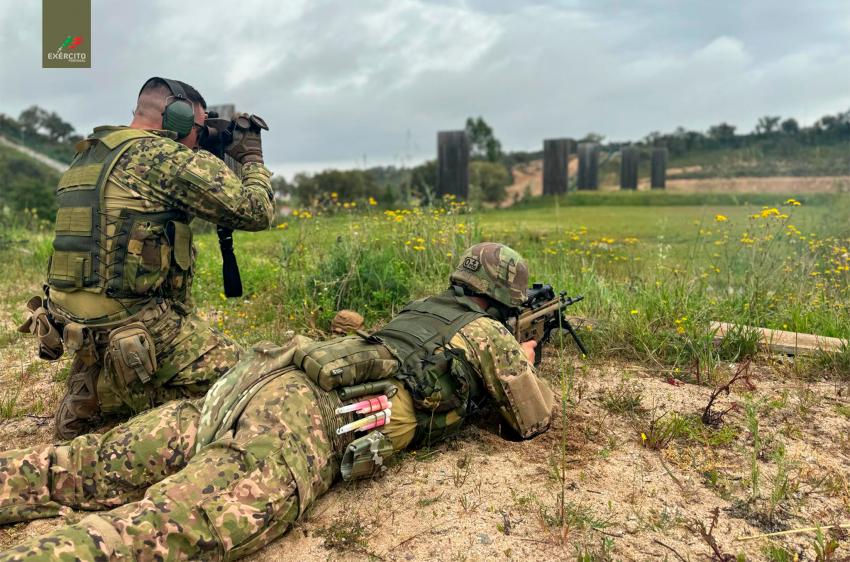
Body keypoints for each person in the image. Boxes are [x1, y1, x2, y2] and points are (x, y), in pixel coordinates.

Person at [0, 243, 555, 562]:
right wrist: (524, 358)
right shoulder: (487, 335)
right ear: (506, 298)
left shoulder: (423, 309)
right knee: (162, 530)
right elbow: (534, 420)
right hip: (302, 422)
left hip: (259, 380)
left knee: (82, 465)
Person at [17, 77, 275, 439]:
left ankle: (95, 382)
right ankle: (123, 392)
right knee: (257, 377)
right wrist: (251, 159)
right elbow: (256, 212)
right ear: (179, 118)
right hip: (133, 326)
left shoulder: (89, 154)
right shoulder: (162, 156)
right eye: (198, 130)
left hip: (73, 324)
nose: (198, 140)